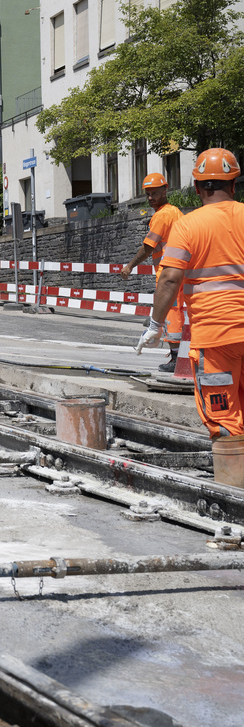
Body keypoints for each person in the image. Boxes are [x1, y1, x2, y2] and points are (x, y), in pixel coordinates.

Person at [140, 148, 244, 485]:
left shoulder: (187, 225)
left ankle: (234, 497)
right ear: (235, 184)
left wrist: (156, 325)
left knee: (223, 415)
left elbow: (169, 278)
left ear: (197, 188)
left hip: (216, 340)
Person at [121, 173, 184, 372]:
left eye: (154, 193)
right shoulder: (175, 212)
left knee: (172, 313)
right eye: (148, 194)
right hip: (181, 270)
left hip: (168, 273)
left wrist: (130, 265)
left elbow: (149, 247)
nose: (150, 198)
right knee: (180, 313)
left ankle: (176, 359)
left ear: (165, 190)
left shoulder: (162, 216)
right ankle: (181, 356)